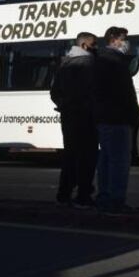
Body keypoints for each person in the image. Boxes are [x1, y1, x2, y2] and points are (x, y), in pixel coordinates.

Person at [93, 26, 139, 215]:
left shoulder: (102, 60)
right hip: (117, 118)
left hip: (105, 117)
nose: (127, 42)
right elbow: (124, 93)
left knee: (106, 159)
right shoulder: (114, 62)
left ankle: (104, 198)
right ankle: (116, 200)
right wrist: (133, 114)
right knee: (119, 161)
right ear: (113, 40)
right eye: (123, 38)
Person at [50, 32, 99, 209]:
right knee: (87, 157)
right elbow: (92, 91)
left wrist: (64, 104)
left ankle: (64, 194)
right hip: (86, 117)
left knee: (70, 156)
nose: (96, 48)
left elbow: (54, 92)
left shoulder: (64, 64)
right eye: (94, 45)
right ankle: (84, 195)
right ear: (85, 46)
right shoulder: (88, 64)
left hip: (68, 117)